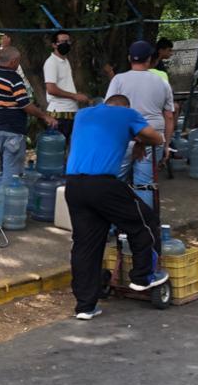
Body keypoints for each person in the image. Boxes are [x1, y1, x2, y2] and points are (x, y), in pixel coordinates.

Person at [65, 94, 167, 320]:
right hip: (103, 184)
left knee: (86, 244)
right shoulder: (127, 114)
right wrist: (140, 140)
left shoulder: (82, 115)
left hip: (73, 185)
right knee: (144, 220)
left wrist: (134, 138)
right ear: (125, 107)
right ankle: (143, 276)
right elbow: (156, 138)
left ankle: (85, 306)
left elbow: (99, 137)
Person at [105, 41, 174, 208]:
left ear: (130, 58)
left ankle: (114, 226)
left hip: (124, 138)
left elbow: (109, 110)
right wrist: (166, 144)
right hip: (152, 137)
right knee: (144, 184)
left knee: (116, 181)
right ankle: (143, 227)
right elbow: (169, 116)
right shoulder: (162, 82)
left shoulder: (118, 80)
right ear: (149, 59)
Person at [0, 47, 57, 183]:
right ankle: (6, 202)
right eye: (18, 62)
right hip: (13, 131)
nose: (18, 65)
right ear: (13, 62)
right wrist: (45, 116)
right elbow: (25, 105)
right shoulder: (14, 79)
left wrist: (3, 48)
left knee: (4, 170)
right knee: (12, 176)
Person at [43, 30, 89, 141]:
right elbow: (51, 89)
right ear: (54, 45)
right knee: (57, 152)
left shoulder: (65, 61)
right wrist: (75, 96)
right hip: (59, 114)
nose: (66, 44)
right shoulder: (51, 63)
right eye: (63, 41)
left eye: (68, 41)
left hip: (70, 112)